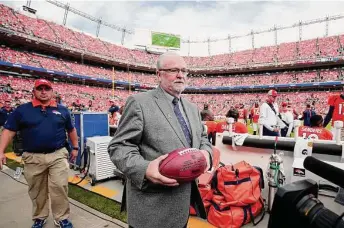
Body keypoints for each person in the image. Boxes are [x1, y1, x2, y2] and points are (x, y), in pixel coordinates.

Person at [108, 52, 212, 228]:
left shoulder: (192, 108)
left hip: (181, 206)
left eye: (184, 70)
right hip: (151, 208)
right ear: (158, 74)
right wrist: (145, 168)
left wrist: (206, 154)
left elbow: (202, 138)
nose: (180, 75)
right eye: (173, 70)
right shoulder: (139, 102)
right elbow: (119, 147)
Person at [0, 79, 78, 228]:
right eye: (40, 88)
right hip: (33, 156)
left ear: (52, 92)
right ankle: (40, 217)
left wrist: (75, 147)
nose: (43, 91)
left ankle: (61, 218)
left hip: (57, 154)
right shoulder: (22, 110)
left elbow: (71, 129)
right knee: (37, 189)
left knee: (60, 187)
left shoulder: (62, 110)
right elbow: (9, 131)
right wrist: (1, 151)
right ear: (34, 91)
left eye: (47, 88)